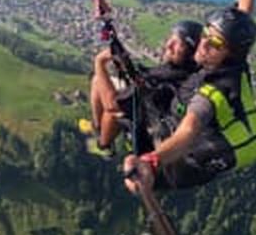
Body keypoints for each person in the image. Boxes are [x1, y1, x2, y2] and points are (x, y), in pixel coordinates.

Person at [124, 0, 256, 193]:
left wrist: (150, 162)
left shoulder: (210, 94)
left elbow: (188, 131)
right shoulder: (235, 60)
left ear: (229, 53)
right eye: (204, 35)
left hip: (178, 167)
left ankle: (104, 140)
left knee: (132, 102)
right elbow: (242, 14)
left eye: (213, 44)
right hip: (214, 144)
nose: (202, 44)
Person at [81, 19, 203, 155]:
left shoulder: (168, 80)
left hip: (145, 125)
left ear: (191, 52)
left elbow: (112, 104)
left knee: (112, 109)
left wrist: (99, 62)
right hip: (150, 110)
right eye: (171, 39)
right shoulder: (187, 71)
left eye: (178, 44)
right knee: (99, 81)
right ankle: (97, 128)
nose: (169, 45)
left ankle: (103, 146)